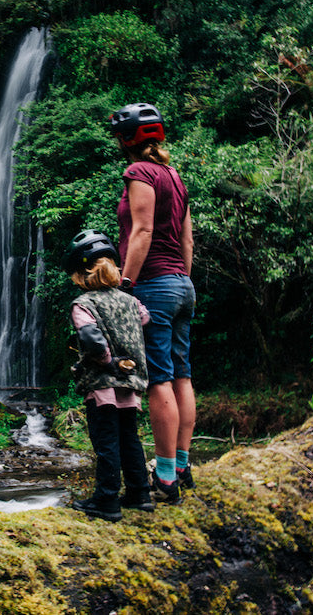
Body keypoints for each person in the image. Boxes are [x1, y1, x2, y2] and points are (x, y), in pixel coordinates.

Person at [109, 102, 196, 505]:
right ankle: (181, 465)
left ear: (127, 139)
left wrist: (126, 285)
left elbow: (142, 231)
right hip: (181, 283)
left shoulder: (138, 173)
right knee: (181, 373)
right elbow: (187, 241)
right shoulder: (174, 177)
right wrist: (183, 280)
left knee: (159, 379)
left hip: (155, 285)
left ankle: (163, 477)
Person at [65, 229, 154, 521]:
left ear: (82, 274)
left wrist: (107, 361)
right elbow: (145, 319)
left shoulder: (83, 304)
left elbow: (91, 339)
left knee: (106, 442)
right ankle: (140, 493)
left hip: (103, 384)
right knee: (129, 437)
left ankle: (106, 500)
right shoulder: (130, 301)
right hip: (129, 384)